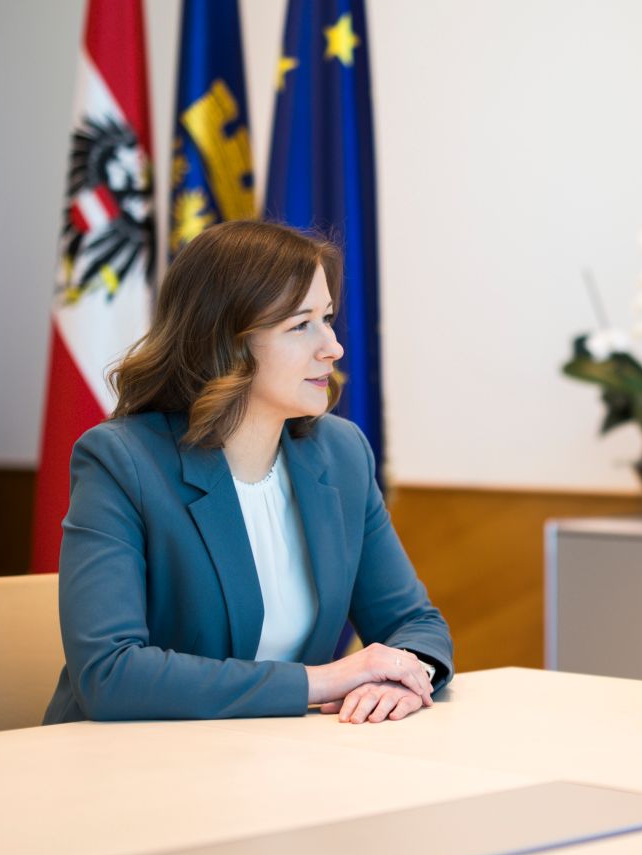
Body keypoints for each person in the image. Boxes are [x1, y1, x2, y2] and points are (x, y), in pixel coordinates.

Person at [43, 221, 452, 726]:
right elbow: (110, 674)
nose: (332, 347)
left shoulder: (341, 454)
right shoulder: (122, 461)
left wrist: (405, 679)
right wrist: (322, 680)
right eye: (300, 325)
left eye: (327, 319)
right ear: (227, 343)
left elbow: (414, 623)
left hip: (279, 763)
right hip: (131, 769)